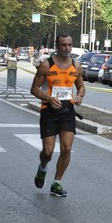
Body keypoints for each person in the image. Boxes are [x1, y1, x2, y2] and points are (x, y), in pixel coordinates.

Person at [30, 34, 86, 197]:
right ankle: (42, 168)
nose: (67, 48)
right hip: (49, 111)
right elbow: (34, 88)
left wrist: (79, 96)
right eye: (63, 45)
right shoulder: (46, 65)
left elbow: (81, 87)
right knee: (48, 151)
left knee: (67, 148)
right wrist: (48, 98)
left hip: (67, 111)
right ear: (57, 45)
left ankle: (57, 183)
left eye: (69, 45)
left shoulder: (76, 65)